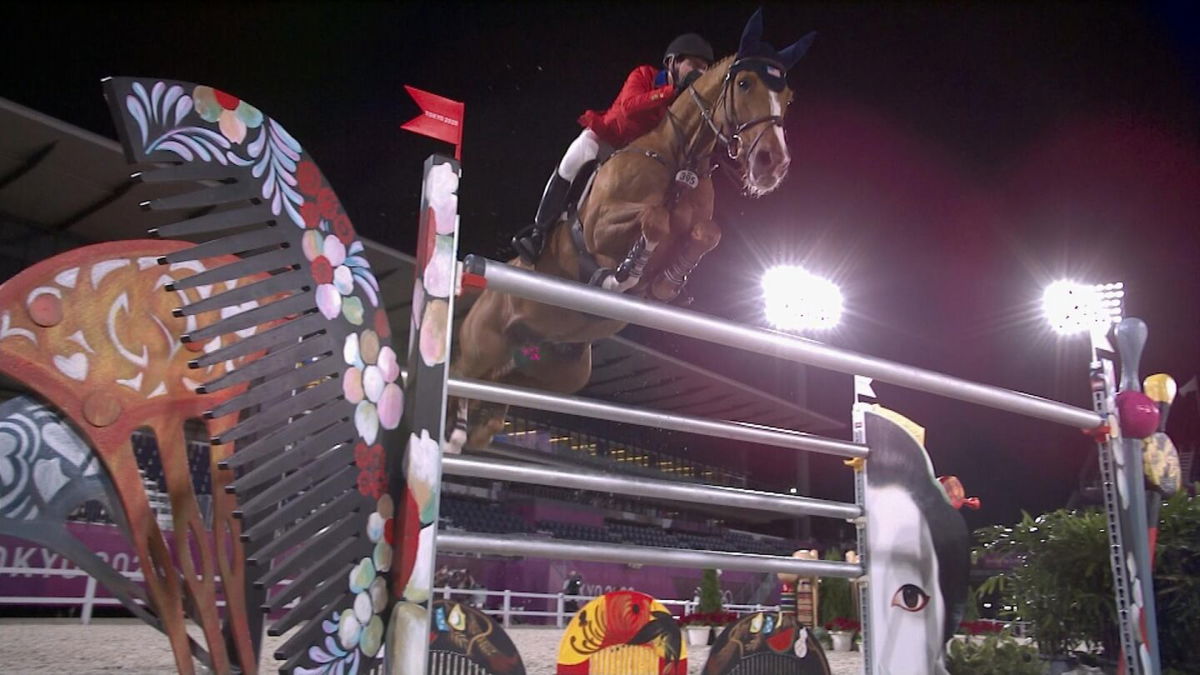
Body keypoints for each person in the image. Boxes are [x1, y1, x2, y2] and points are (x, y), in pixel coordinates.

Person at [512, 33, 715, 264]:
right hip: (606, 137)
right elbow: (629, 107)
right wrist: (670, 93)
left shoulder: (685, 103)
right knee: (573, 160)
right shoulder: (644, 75)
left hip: (636, 158)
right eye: (693, 65)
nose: (699, 73)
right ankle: (538, 233)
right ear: (672, 62)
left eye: (704, 68)